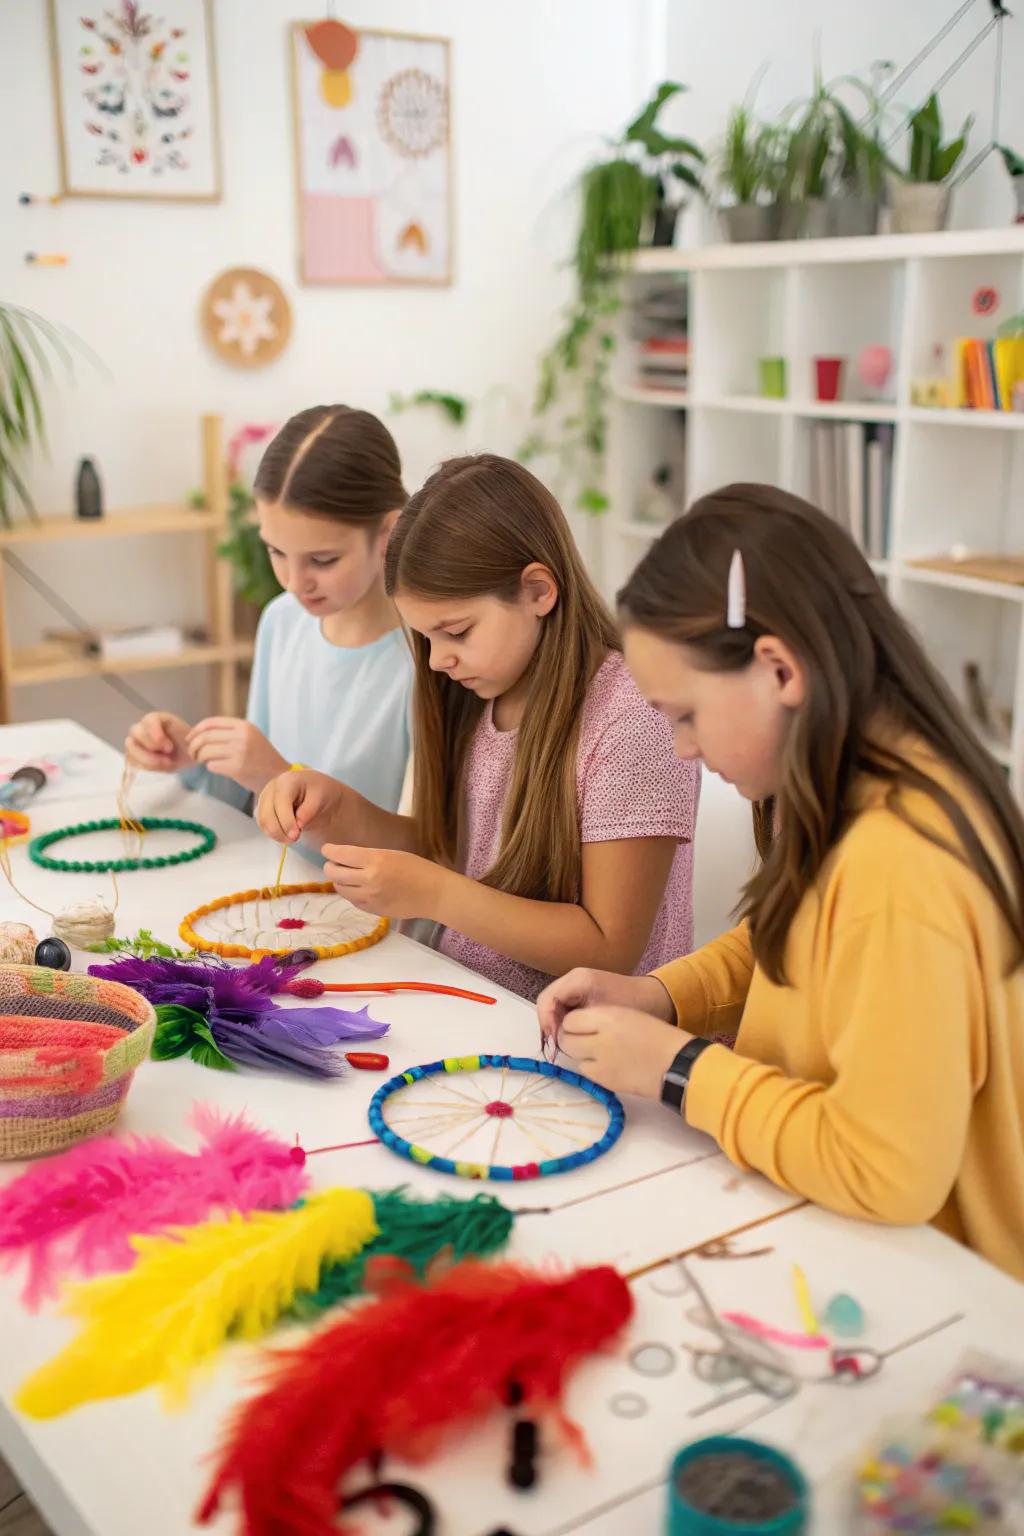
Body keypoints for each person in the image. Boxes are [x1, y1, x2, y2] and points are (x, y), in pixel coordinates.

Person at [539, 483, 1024, 1281]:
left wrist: (680, 1066)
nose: (681, 748)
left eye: (685, 714)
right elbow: (786, 938)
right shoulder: (851, 779)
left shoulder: (900, 863)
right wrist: (658, 997)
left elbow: (885, 1170)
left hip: (931, 1279)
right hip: (831, 1224)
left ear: (778, 669)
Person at [257, 454, 700, 1000]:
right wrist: (339, 811)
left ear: (539, 591)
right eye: (426, 639)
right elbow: (453, 852)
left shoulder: (632, 721)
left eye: (457, 632)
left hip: (587, 1040)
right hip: (471, 1002)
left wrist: (437, 896)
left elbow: (609, 948)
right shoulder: (479, 690)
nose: (439, 660)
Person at [125, 406, 413, 831]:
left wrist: (277, 775)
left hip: (353, 896)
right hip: (274, 885)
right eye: (276, 552)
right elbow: (253, 796)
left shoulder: (426, 657)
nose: (295, 582)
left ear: (387, 533)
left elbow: (420, 848)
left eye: (323, 559)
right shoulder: (282, 621)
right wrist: (196, 757)